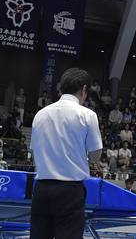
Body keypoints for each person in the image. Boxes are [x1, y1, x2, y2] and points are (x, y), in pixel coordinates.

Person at [30, 68, 103, 239]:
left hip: (41, 189)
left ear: (60, 88)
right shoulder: (87, 115)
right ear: (84, 90)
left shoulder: (40, 114)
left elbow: (34, 152)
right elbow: (95, 156)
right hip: (70, 191)